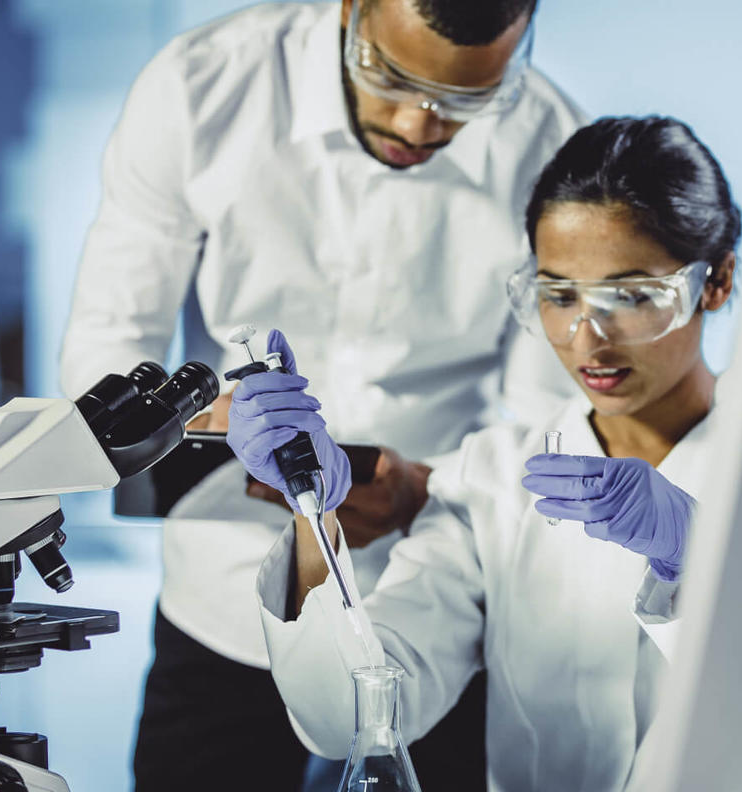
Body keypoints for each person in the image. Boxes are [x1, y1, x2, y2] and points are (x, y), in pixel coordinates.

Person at [57, 0, 587, 788]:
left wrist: (425, 491)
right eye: (393, 77)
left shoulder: (550, 146)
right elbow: (104, 359)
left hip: (435, 590)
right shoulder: (200, 89)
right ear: (350, 9)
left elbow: (556, 421)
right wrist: (236, 445)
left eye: (465, 102)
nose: (418, 124)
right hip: (228, 589)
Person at [229, 115, 741, 790]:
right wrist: (311, 514)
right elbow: (352, 718)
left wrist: (697, 555)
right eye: (558, 295)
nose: (588, 338)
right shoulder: (493, 481)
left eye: (633, 296)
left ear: (716, 282)